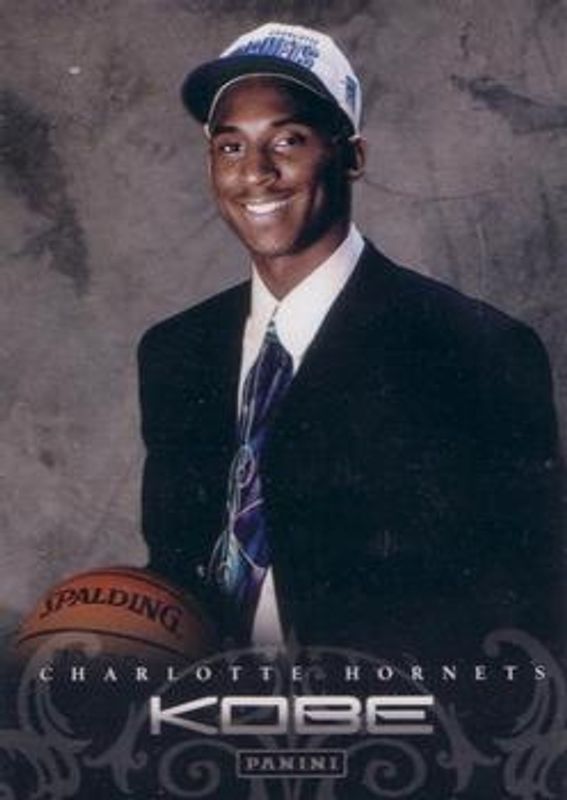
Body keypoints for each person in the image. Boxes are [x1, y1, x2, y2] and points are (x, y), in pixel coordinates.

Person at [138, 22, 562, 659]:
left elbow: (527, 606)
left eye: (288, 140)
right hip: (215, 708)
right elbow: (173, 570)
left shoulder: (473, 348)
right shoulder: (176, 352)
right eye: (230, 146)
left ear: (352, 156)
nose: (256, 172)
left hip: (389, 711)